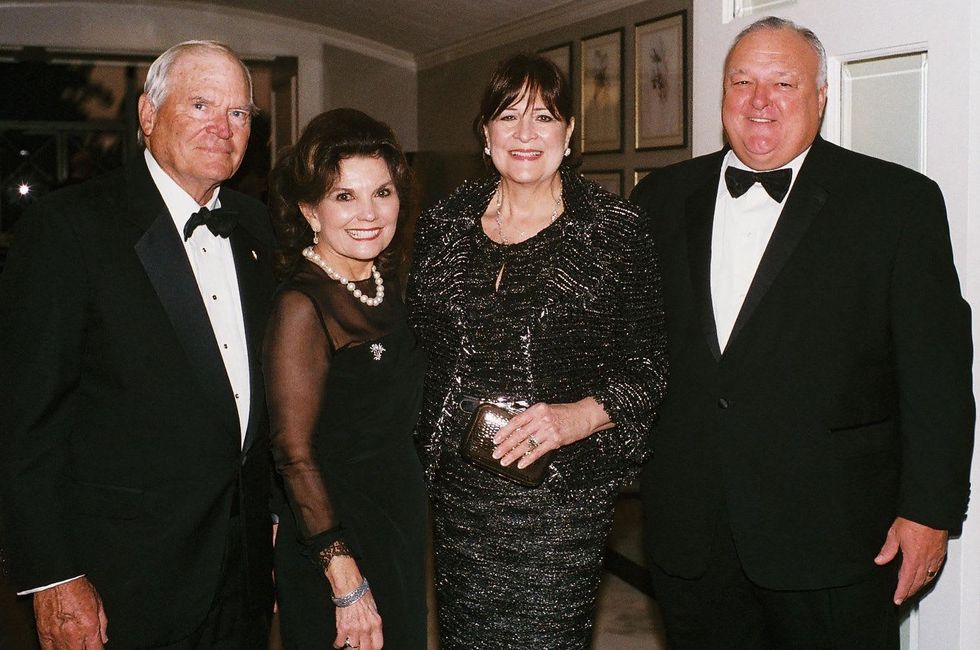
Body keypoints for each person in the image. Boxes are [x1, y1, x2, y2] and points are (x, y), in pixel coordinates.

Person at [631, 16, 974, 649]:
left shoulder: (897, 204)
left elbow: (938, 376)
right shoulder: (660, 198)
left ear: (821, 96)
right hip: (692, 529)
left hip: (837, 540)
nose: (760, 101)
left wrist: (930, 511)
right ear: (723, 96)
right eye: (743, 81)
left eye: (783, 82)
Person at [0, 40, 276, 648]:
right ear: (148, 116)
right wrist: (53, 575)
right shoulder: (69, 227)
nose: (222, 127)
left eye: (238, 114)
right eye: (200, 104)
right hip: (122, 582)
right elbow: (26, 424)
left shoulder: (257, 225)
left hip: (245, 576)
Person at [408, 54, 667, 648]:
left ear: (570, 132)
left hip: (561, 498)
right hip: (460, 495)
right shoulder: (445, 223)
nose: (525, 134)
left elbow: (650, 367)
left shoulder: (613, 228)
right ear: (485, 132)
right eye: (508, 116)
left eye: (544, 117)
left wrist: (573, 418)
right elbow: (418, 343)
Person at [264, 108, 427, 650]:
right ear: (311, 210)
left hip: (396, 520)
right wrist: (342, 575)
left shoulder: (385, 283)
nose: (369, 213)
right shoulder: (302, 305)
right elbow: (293, 452)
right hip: (335, 534)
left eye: (382, 192)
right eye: (344, 196)